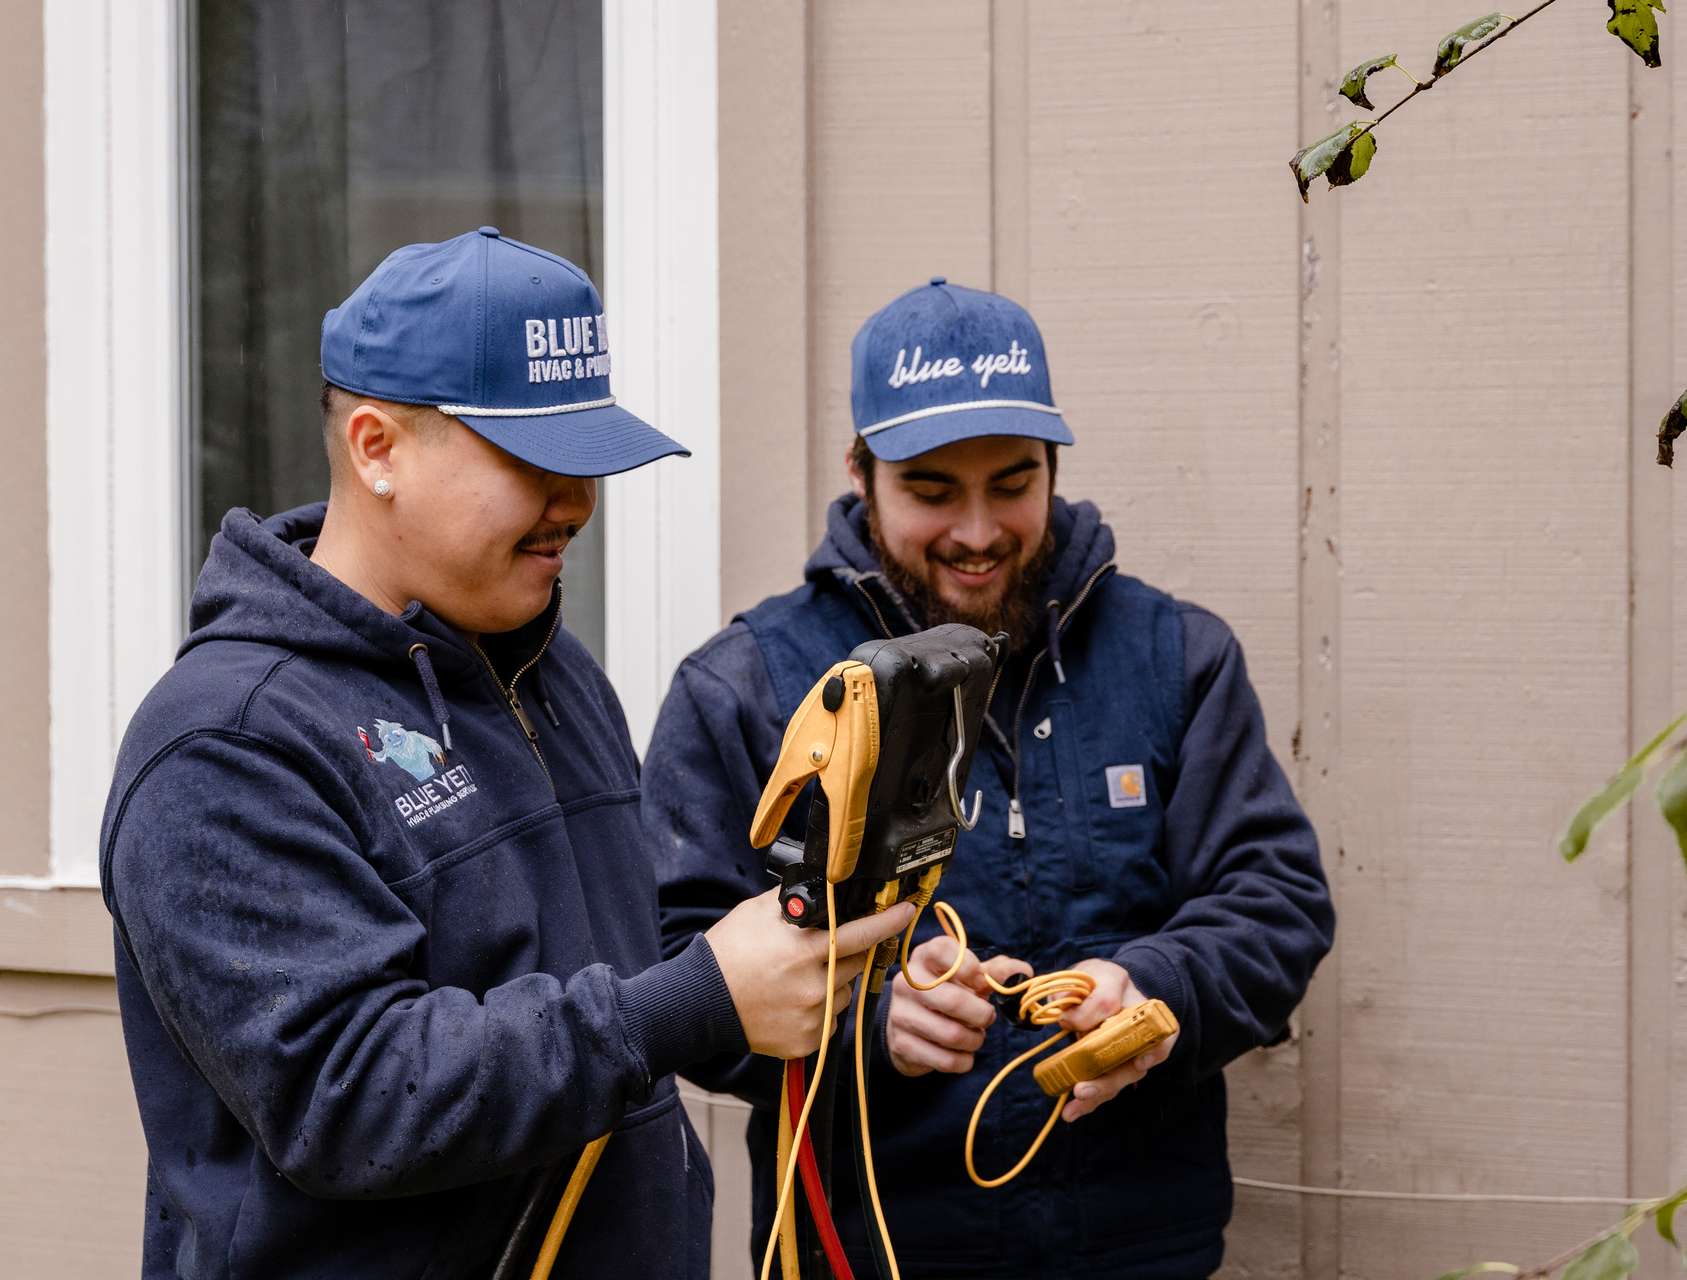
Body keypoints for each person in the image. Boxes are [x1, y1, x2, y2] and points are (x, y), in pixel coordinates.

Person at [100, 227, 915, 1280]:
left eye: (588, 460)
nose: (575, 503)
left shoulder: (552, 671)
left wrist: (807, 981)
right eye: (533, 460)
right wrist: (697, 999)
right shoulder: (227, 739)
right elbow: (347, 1094)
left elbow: (636, 991)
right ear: (375, 448)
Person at [646, 278, 1335, 1278]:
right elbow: (679, 964)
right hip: (868, 1250)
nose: (977, 531)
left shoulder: (1176, 655)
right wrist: (871, 1028)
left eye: (1012, 482)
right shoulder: (748, 686)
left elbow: (1277, 903)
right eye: (931, 491)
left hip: (1140, 1248)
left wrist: (1156, 984)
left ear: (1053, 467)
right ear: (860, 472)